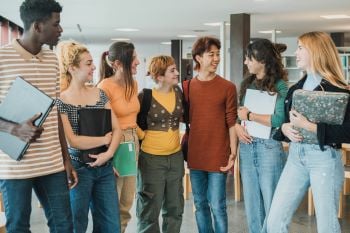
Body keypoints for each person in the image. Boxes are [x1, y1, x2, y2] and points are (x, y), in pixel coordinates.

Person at [0, 1, 78, 233]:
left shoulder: (52, 59)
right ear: (38, 26)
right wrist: (14, 129)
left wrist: (66, 159)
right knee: (18, 227)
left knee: (64, 225)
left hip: (52, 163)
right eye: (56, 24)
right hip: (14, 167)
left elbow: (55, 113)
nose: (61, 30)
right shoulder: (2, 58)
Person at [266, 31, 350, 233]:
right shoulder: (296, 89)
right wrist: (285, 128)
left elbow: (347, 132)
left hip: (324, 159)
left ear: (316, 52)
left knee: (327, 227)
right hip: (295, 157)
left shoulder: (339, 90)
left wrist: (310, 126)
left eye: (301, 48)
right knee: (274, 222)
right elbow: (286, 123)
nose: (296, 52)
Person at [56, 41, 122, 233]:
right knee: (78, 225)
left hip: (105, 169)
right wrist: (104, 140)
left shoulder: (99, 94)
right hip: (79, 171)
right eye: (88, 63)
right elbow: (73, 141)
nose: (94, 67)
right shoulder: (61, 100)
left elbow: (117, 129)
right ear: (72, 68)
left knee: (111, 226)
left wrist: (107, 155)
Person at [235, 39, 288, 233]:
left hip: (269, 147)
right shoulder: (247, 83)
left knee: (272, 201)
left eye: (249, 58)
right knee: (252, 203)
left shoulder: (281, 87)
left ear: (262, 60)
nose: (246, 62)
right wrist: (237, 125)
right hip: (247, 146)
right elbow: (238, 114)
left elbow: (279, 119)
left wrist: (249, 116)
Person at [187, 36, 237, 233]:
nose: (216, 58)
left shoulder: (228, 87)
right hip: (196, 153)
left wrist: (233, 152)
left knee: (217, 205)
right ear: (198, 58)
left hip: (218, 153)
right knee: (199, 204)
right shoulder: (188, 87)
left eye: (218, 54)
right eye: (211, 54)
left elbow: (232, 122)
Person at [136, 55, 184, 233]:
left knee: (175, 207)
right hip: (151, 160)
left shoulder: (178, 92)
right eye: (172, 70)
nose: (177, 73)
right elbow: (130, 121)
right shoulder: (145, 96)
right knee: (149, 209)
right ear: (159, 76)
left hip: (176, 158)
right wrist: (144, 135)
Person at [98, 41, 140, 233]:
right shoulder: (104, 87)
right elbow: (99, 125)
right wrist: (109, 156)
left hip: (132, 143)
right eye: (132, 59)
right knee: (112, 203)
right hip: (116, 144)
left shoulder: (134, 83)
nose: (138, 62)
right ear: (116, 64)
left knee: (126, 202)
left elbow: (133, 119)